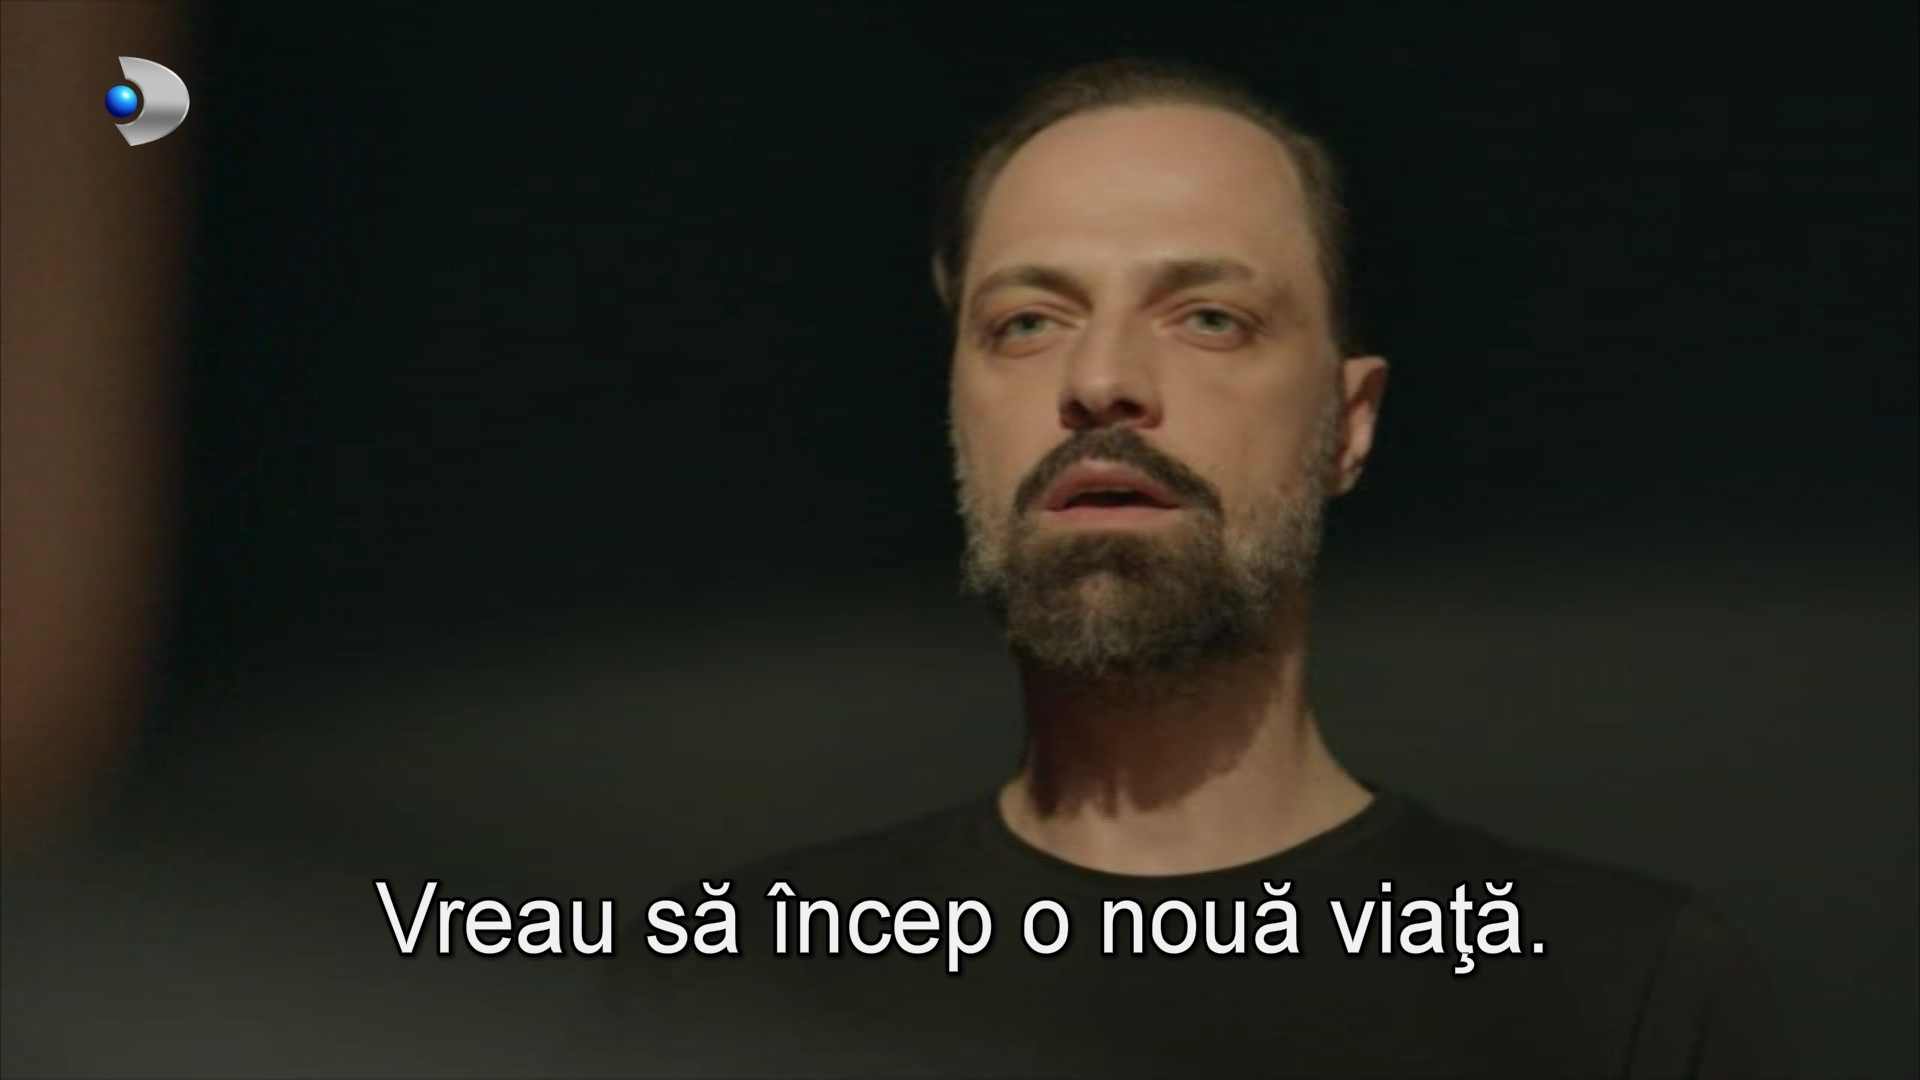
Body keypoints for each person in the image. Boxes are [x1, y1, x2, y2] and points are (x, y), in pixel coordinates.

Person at [577, 57, 1791, 1078]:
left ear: (1349, 424)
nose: (1101, 380)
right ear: (957, 411)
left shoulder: (1621, 994)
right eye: (1026, 322)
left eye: (1209, 316)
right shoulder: (715, 993)